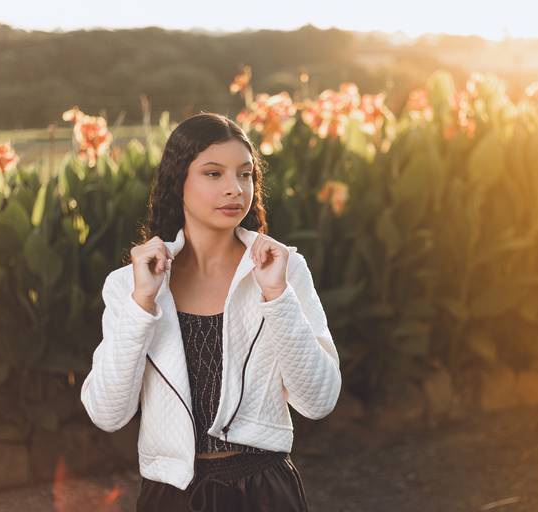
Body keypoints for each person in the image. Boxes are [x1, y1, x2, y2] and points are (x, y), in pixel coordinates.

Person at [80, 112, 342, 511]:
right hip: (171, 495)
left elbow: (319, 400)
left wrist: (276, 294)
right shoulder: (128, 285)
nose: (235, 189)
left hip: (265, 493)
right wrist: (142, 304)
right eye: (213, 174)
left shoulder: (285, 270)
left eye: (245, 174)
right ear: (177, 181)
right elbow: (107, 413)